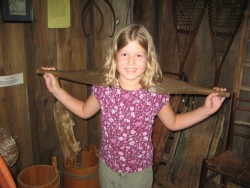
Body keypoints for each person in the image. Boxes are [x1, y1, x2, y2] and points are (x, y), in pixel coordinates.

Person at [42, 24, 226, 188]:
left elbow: (174, 123)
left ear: (148, 59)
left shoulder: (155, 94)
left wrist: (206, 109)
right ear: (115, 57)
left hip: (139, 173)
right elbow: (83, 111)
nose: (131, 61)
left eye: (138, 55)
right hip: (107, 168)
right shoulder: (104, 89)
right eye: (125, 54)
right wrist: (56, 90)